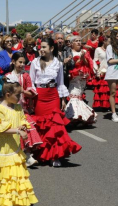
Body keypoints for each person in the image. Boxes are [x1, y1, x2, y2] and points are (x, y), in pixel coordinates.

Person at [30, 38, 81, 167]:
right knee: (42, 126)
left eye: (44, 47)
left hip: (53, 96)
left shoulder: (57, 63)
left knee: (55, 126)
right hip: (39, 97)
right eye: (40, 47)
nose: (41, 49)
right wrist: (30, 99)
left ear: (51, 48)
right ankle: (42, 154)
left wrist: (62, 100)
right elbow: (30, 82)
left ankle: (54, 156)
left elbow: (61, 83)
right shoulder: (35, 62)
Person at [5, 53, 42, 167]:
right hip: (10, 109)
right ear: (13, 62)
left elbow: (32, 93)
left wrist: (22, 90)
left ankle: (28, 155)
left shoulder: (25, 76)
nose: (22, 64)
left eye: (23, 62)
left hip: (22, 108)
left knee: (26, 128)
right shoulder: (7, 76)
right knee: (13, 131)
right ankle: (14, 156)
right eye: (19, 62)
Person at [64, 35, 97, 124]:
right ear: (71, 43)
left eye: (80, 41)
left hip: (82, 78)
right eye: (76, 41)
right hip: (73, 78)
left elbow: (88, 64)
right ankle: (73, 116)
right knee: (73, 95)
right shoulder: (69, 52)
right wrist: (79, 60)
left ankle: (79, 116)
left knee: (79, 96)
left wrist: (83, 58)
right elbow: (71, 65)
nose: (79, 42)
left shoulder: (84, 51)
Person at [92, 36, 110, 111]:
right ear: (104, 41)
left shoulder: (110, 49)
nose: (110, 43)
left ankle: (108, 105)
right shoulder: (98, 49)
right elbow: (95, 60)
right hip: (101, 71)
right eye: (108, 41)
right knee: (102, 90)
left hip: (109, 71)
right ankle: (102, 105)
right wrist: (97, 71)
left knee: (109, 89)